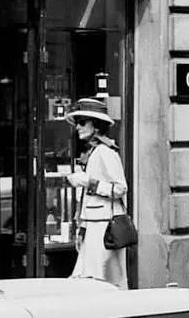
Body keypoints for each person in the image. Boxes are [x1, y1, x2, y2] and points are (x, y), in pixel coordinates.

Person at [65, 97, 128, 289]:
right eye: (77, 123)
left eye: (83, 122)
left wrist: (88, 182)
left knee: (101, 281)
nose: (78, 127)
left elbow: (120, 188)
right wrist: (82, 229)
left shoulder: (105, 152)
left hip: (104, 228)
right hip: (94, 227)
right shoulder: (93, 152)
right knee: (91, 280)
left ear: (97, 126)